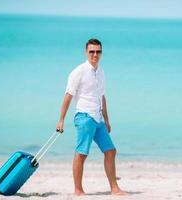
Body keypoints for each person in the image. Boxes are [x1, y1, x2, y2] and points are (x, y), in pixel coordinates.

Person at [56, 38, 126, 196]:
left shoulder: (101, 72)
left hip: (98, 119)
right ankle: (78, 190)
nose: (95, 54)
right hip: (84, 117)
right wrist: (61, 120)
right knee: (81, 153)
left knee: (111, 151)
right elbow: (68, 96)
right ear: (86, 52)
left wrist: (107, 120)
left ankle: (114, 188)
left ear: (101, 52)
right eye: (92, 51)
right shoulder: (79, 71)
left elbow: (102, 97)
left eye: (98, 51)